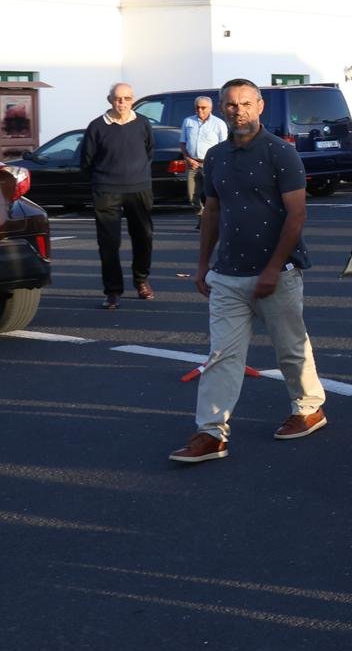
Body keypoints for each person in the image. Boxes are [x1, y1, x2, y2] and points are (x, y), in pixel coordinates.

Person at [168, 78, 328, 464]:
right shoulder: (218, 157)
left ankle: (309, 408)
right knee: (221, 354)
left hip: (278, 272)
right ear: (223, 109)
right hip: (227, 274)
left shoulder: (280, 153)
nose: (237, 110)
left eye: (245, 103)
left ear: (259, 107)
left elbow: (297, 215)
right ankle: (211, 433)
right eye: (230, 104)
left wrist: (273, 269)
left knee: (290, 347)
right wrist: (203, 265)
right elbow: (212, 213)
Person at [80, 81, 154, 309]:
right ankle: (112, 291)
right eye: (118, 98)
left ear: (133, 99)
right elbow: (86, 161)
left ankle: (141, 280)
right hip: (107, 191)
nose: (122, 103)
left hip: (139, 188)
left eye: (127, 98)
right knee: (109, 243)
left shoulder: (142, 124)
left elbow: (149, 152)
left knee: (144, 237)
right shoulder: (96, 127)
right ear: (109, 99)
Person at [179, 95, 228, 213]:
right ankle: (202, 217)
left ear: (210, 108)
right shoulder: (188, 121)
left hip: (211, 165)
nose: (199, 110)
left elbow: (224, 147)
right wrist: (187, 158)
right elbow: (182, 143)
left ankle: (209, 222)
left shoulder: (219, 123)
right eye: (197, 107)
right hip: (192, 164)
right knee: (192, 197)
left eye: (203, 107)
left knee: (211, 195)